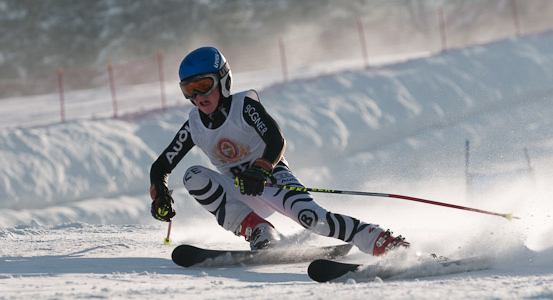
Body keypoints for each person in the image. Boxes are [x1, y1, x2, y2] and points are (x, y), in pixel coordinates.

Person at [149, 46, 409, 256]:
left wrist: (261, 169)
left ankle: (382, 241)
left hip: (271, 180)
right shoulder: (194, 124)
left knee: (313, 219)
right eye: (189, 90)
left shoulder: (244, 106)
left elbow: (276, 138)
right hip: (239, 189)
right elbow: (162, 165)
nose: (197, 97)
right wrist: (160, 193)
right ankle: (259, 230)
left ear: (223, 81)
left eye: (203, 86)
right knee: (193, 175)